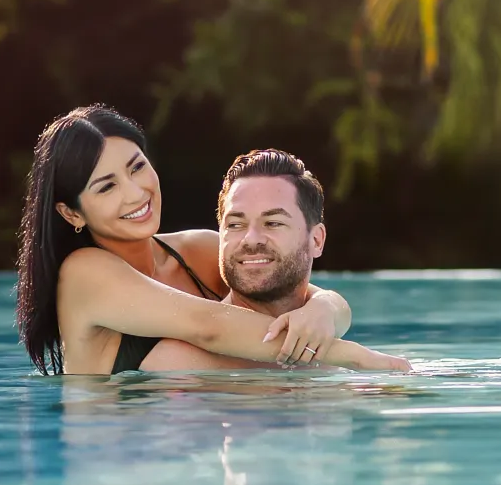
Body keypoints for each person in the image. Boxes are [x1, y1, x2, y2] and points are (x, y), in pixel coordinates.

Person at [15, 106, 411, 375]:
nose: (135, 193)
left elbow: (305, 290)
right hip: (116, 464)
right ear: (72, 213)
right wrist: (358, 360)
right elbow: (208, 327)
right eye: (107, 187)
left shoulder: (197, 251)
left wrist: (325, 309)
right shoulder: (84, 274)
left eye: (137, 168)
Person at [141, 149, 365, 372]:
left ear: (316, 240)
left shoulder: (336, 363)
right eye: (235, 225)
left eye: (273, 223)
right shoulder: (178, 365)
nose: (251, 239)